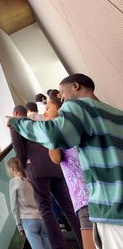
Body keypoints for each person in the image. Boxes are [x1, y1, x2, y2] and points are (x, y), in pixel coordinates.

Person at [8, 73, 123, 249]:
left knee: (48, 208)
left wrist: (17, 124)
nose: (62, 98)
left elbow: (55, 135)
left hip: (109, 206)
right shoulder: (117, 114)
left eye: (62, 93)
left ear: (76, 86)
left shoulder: (77, 108)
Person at [10, 105, 82, 249]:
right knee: (68, 206)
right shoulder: (38, 122)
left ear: (16, 113)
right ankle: (85, 240)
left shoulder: (16, 124)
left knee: (46, 209)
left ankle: (59, 246)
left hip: (36, 169)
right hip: (54, 167)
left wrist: (23, 170)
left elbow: (19, 149)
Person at [45, 98, 95, 249]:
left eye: (48, 107)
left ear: (60, 109)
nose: (45, 112)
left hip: (84, 198)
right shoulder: (76, 127)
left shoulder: (59, 132)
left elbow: (56, 158)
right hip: (96, 192)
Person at [7, 157, 52, 249]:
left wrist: (18, 224)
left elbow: (14, 206)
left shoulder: (14, 182)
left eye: (8, 169)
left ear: (13, 168)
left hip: (28, 220)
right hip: (40, 218)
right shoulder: (30, 181)